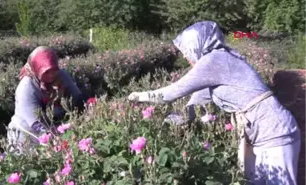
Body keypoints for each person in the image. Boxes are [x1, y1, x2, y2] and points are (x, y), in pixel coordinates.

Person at [128, 21, 300, 185]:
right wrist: (160, 126)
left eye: (187, 50)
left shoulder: (214, 60)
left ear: (198, 44)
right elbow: (192, 108)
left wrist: (135, 97)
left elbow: (170, 93)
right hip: (261, 133)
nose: (186, 57)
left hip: (275, 132)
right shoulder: (218, 63)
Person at [7, 46, 87, 154]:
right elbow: (36, 124)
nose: (51, 75)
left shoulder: (62, 76)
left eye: (54, 70)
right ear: (35, 68)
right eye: (46, 71)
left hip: (53, 128)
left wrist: (84, 119)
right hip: (25, 136)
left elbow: (78, 98)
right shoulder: (27, 86)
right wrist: (56, 139)